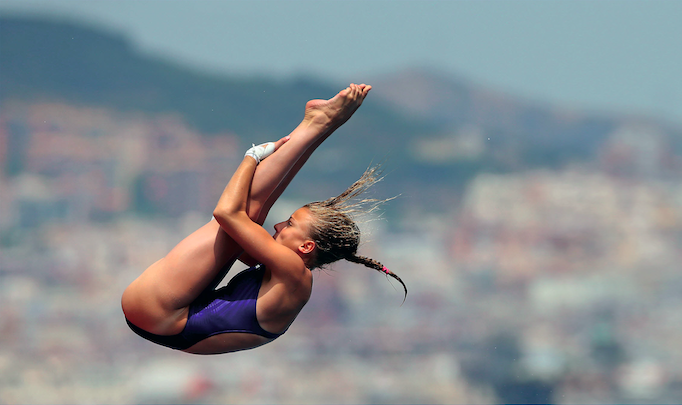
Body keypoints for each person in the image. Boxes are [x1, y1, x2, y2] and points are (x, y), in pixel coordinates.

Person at [121, 84, 407, 355]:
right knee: (251, 218)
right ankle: (319, 125)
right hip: (160, 318)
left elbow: (227, 214)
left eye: (290, 225)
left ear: (306, 247)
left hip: (160, 313)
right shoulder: (290, 277)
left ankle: (319, 124)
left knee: (247, 216)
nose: (279, 226)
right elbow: (244, 227)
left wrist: (251, 157)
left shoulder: (294, 272)